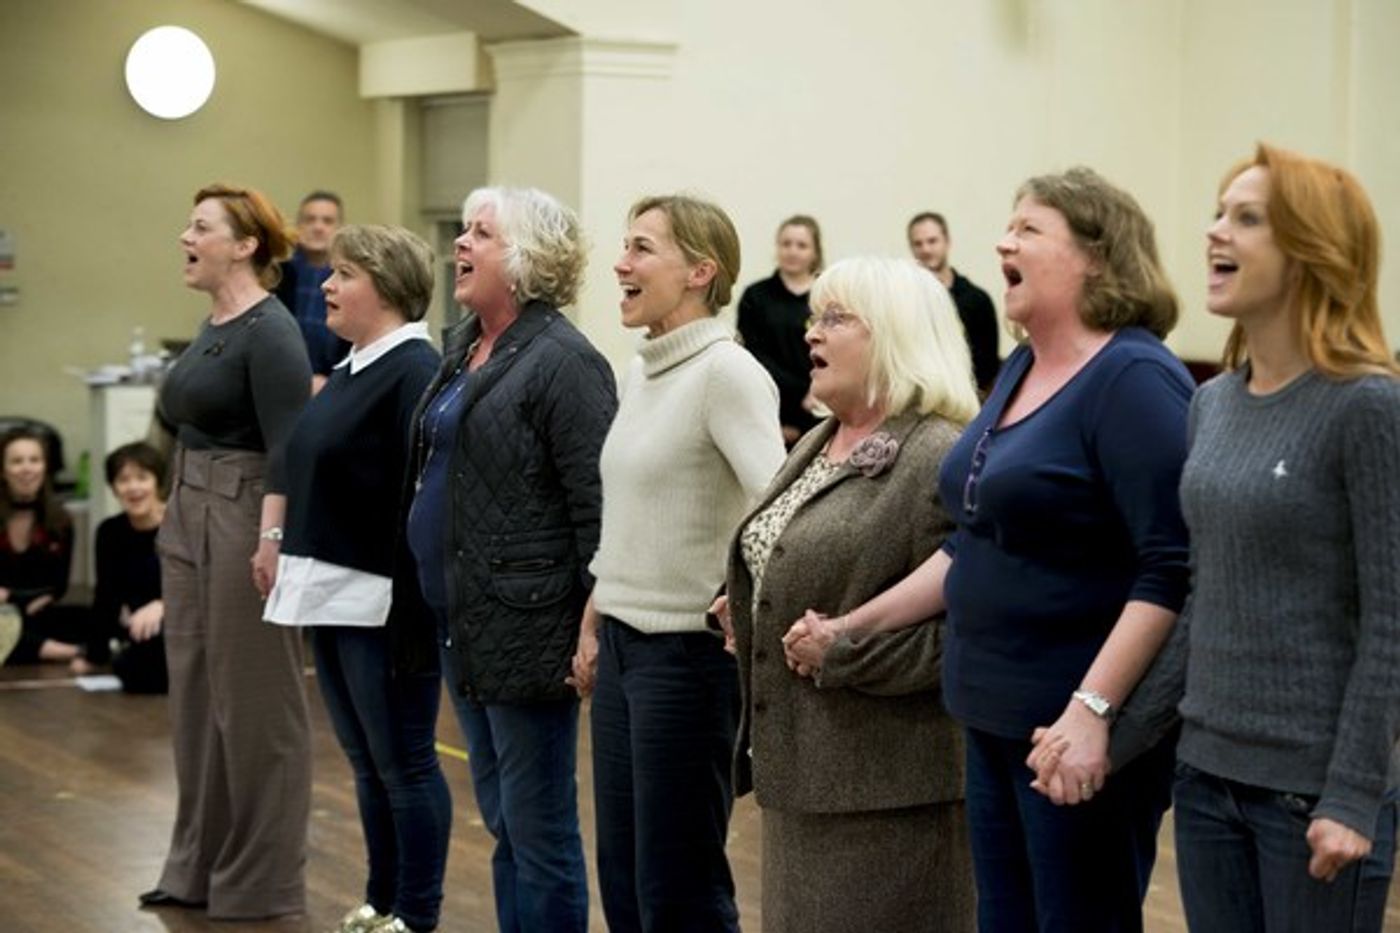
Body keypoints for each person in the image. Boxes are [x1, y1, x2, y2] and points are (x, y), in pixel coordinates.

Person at [790, 168, 1193, 932]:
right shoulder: (1022, 367)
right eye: (1008, 226)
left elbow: (1170, 568)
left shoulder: (1133, 377)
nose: (1003, 241)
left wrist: (1092, 708)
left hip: (1068, 736)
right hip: (988, 712)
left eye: (1030, 229)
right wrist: (854, 626)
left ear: (1098, 258)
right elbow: (973, 544)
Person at [1106, 143, 1400, 933]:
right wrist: (1117, 734)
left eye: (1246, 218)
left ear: (1313, 250)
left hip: (1309, 797)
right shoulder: (1214, 405)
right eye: (1216, 212)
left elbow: (1390, 621)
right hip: (1205, 778)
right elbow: (1207, 595)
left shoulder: (1366, 407)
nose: (1213, 232)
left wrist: (1351, 793)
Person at [717, 256, 979, 932]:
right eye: (814, 317)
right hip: (803, 781)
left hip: (888, 797)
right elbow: (795, 554)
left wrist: (846, 653)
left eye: (835, 319)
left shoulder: (939, 454)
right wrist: (749, 605)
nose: (811, 334)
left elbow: (972, 634)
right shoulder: (820, 440)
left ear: (894, 337)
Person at [404, 186, 616, 933]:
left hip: (528, 624)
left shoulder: (564, 360)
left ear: (525, 261)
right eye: (462, 229)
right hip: (464, 616)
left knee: (539, 826)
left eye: (481, 233)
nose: (460, 244)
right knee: (503, 820)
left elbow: (596, 506)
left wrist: (590, 623)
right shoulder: (465, 344)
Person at [571, 194, 785, 933]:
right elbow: (629, 514)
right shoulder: (641, 373)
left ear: (700, 270)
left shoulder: (728, 374)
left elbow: (780, 510)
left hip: (688, 660)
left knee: (680, 885)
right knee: (626, 878)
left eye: (640, 248)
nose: (619, 263)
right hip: (625, 649)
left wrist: (741, 592)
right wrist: (595, 619)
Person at [264, 224, 449, 933]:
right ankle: (382, 898)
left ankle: (418, 912)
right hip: (331, 589)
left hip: (383, 600)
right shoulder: (351, 366)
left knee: (404, 761)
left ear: (387, 286)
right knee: (367, 763)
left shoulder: (413, 371)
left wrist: (413, 603)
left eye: (344, 275)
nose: (328, 287)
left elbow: (423, 497)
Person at [141, 183, 312, 920]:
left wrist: (273, 537)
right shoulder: (213, 322)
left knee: (256, 705)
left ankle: (262, 880)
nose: (186, 235)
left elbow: (290, 447)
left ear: (245, 245)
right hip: (188, 506)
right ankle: (197, 867)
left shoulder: (271, 330)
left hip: (245, 510)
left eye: (201, 226)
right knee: (197, 699)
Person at [69, 442, 169, 693]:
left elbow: (204, 585)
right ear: (113, 488)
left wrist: (164, 605)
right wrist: (94, 656)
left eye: (142, 478)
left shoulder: (179, 524)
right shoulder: (110, 532)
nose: (133, 487)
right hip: (140, 627)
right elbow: (106, 594)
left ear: (157, 482)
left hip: (182, 617)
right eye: (123, 480)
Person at [737, 215, 824, 446]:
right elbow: (754, 353)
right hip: (771, 405)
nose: (792, 251)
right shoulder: (755, 296)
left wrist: (818, 389)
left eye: (802, 245)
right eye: (786, 244)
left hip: (820, 405)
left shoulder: (826, 295)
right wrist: (802, 391)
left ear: (815, 252)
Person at [0, 427, 84, 665]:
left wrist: (13, 596)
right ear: (3, 470)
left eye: (34, 460)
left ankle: (32, 648)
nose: (27, 468)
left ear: (45, 467)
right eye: (17, 461)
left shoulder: (61, 519)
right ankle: (70, 652)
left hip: (38, 611)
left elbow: (58, 586)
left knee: (89, 615)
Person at [908, 211, 1000, 392]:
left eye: (932, 241)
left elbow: (988, 366)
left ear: (947, 242)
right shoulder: (905, 303)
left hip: (971, 400)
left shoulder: (977, 300)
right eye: (918, 244)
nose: (925, 249)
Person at [276, 190, 350, 392]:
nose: (318, 227)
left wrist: (333, 381)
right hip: (280, 385)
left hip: (334, 389)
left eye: (327, 221)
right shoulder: (274, 277)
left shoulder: (354, 281)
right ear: (298, 226)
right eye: (310, 220)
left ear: (340, 229)